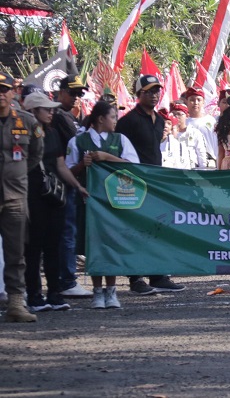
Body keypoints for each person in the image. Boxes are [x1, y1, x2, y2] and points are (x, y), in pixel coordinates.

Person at [116, 75, 185, 295]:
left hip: (154, 182)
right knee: (135, 230)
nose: (154, 94)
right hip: (132, 183)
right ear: (139, 94)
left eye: (157, 90)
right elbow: (118, 151)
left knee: (157, 228)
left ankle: (157, 275)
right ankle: (135, 278)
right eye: (149, 91)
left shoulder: (159, 119)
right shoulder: (127, 121)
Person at [67, 101, 140, 308]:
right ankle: (97, 291)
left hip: (114, 201)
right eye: (113, 117)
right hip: (89, 201)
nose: (115, 121)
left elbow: (134, 166)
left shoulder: (120, 140)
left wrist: (107, 157)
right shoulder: (78, 142)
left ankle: (112, 290)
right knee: (93, 246)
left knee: (112, 244)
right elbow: (67, 171)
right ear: (100, 119)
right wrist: (83, 164)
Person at [23, 93, 88, 313]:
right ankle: (33, 295)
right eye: (46, 108)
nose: (51, 112)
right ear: (32, 111)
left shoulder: (52, 133)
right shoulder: (23, 134)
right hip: (32, 195)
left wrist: (77, 186)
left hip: (55, 195)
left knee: (53, 246)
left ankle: (54, 293)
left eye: (52, 108)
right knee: (33, 248)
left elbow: (60, 166)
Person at [0, 73, 44, 322]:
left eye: (4, 89)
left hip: (15, 196)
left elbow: (35, 155)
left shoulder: (27, 122)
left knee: (16, 252)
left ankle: (16, 303)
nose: (1, 94)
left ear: (13, 93)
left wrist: (15, 176)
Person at [52, 75, 92, 298]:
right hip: (61, 181)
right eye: (73, 93)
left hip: (70, 179)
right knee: (66, 233)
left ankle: (64, 279)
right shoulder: (60, 116)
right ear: (61, 92)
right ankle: (66, 279)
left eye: (80, 94)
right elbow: (78, 146)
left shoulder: (72, 117)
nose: (77, 98)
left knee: (68, 232)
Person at [162, 103, 208, 169]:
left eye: (179, 114)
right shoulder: (166, 134)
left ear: (187, 115)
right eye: (174, 114)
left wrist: (203, 170)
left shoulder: (195, 133)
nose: (176, 117)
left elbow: (201, 155)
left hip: (191, 169)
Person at [185, 87, 218, 168]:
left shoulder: (211, 121)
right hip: (190, 164)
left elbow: (217, 143)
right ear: (187, 102)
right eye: (192, 100)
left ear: (203, 102)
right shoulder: (184, 123)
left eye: (199, 100)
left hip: (210, 163)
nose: (196, 103)